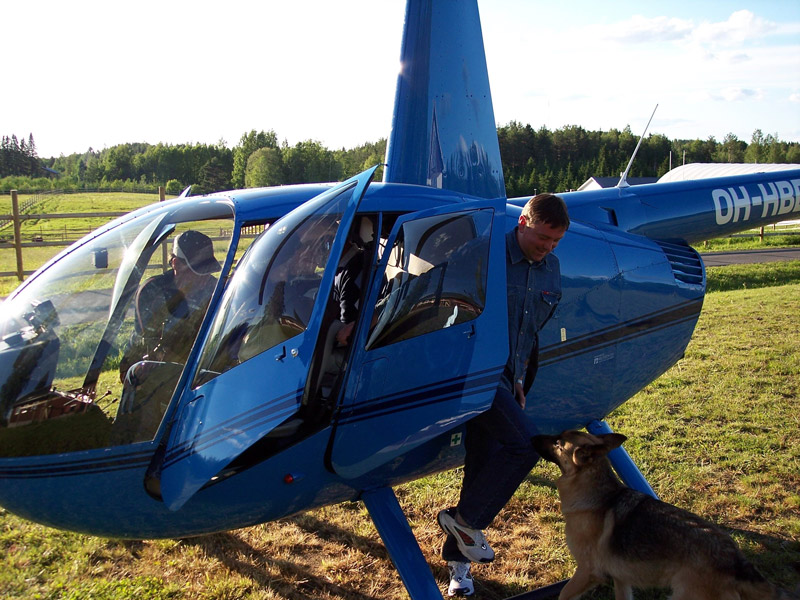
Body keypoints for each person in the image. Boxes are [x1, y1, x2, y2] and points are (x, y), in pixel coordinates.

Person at [437, 193, 569, 597]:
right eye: (543, 237)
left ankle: (459, 566)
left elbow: (530, 329)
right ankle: (465, 524)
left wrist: (518, 379)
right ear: (523, 222)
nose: (548, 248)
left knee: (483, 466)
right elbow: (443, 312)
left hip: (507, 378)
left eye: (556, 242)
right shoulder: (483, 255)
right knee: (526, 446)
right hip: (470, 374)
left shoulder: (550, 268)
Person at [114, 230, 221, 443]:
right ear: (175, 263)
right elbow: (155, 346)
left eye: (207, 272)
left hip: (192, 365)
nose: (203, 279)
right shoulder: (153, 291)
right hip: (147, 364)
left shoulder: (215, 289)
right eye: (196, 272)